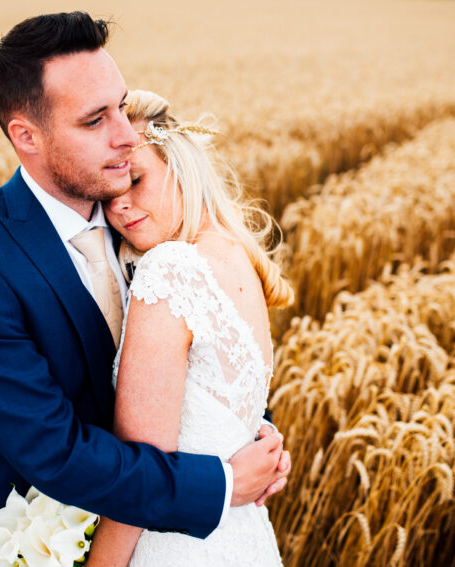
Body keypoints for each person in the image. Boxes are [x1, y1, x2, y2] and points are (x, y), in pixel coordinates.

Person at [0, 12, 289, 566]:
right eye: (95, 120)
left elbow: (186, 371)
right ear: (27, 136)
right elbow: (53, 451)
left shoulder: (143, 226)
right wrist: (221, 482)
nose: (126, 135)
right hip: (22, 543)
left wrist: (242, 432)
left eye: (120, 105)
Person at [82, 90, 295, 566]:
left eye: (136, 180)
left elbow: (141, 480)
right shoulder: (237, 257)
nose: (120, 207)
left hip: (173, 546)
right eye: (108, 195)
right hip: (239, 538)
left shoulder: (170, 269)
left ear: (180, 167)